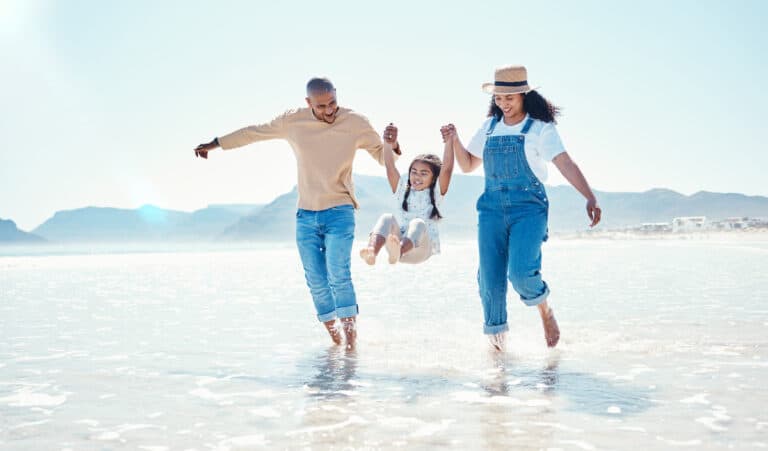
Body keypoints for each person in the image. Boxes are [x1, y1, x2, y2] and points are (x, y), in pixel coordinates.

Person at [193, 77, 401, 350]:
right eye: (321, 105)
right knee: (315, 279)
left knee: (338, 273)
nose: (329, 111)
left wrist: (392, 145)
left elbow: (382, 156)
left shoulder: (355, 122)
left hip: (340, 211)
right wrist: (215, 143)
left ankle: (351, 345)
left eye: (333, 103)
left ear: (337, 96)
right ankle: (335, 342)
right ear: (308, 103)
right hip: (306, 217)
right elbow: (254, 132)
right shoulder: (293, 121)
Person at [445, 65, 602, 351]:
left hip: (528, 208)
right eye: (499, 98)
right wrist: (454, 140)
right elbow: (467, 164)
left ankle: (545, 311)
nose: (503, 104)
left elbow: (565, 163)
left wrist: (589, 196)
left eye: (510, 98)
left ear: (523, 96)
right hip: (490, 209)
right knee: (489, 282)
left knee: (520, 274)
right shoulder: (489, 127)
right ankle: (498, 361)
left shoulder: (540, 128)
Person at [359, 123, 454, 265]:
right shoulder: (403, 192)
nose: (417, 176)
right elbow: (390, 166)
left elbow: (446, 169)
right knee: (387, 218)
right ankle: (372, 251)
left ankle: (399, 250)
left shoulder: (436, 193)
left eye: (424, 173)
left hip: (421, 249)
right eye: (414, 172)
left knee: (417, 223)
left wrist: (449, 142)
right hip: (398, 243)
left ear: (433, 178)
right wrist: (387, 144)